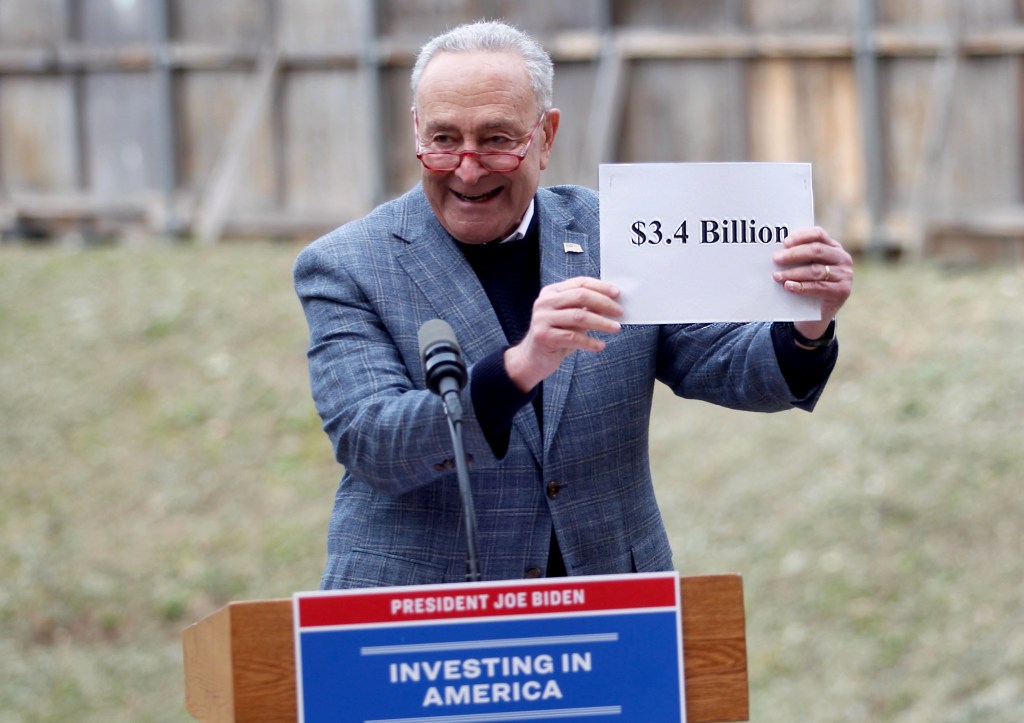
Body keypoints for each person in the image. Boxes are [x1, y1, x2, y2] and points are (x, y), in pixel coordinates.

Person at [294, 20, 853, 590]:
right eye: (443, 140)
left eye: (496, 140)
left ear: (547, 136)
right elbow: (373, 443)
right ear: (417, 131)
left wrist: (807, 325)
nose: (467, 167)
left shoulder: (614, 232)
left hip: (608, 605)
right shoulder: (347, 266)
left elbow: (723, 363)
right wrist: (522, 365)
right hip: (427, 617)